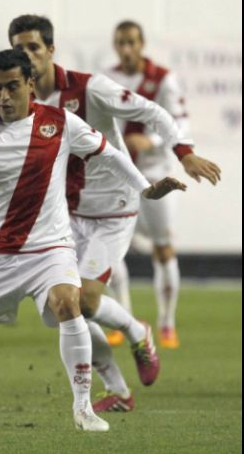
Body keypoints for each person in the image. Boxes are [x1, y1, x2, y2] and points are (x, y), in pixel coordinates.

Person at [0, 49, 185, 432]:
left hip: (50, 250)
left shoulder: (60, 122)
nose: (3, 97)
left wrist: (146, 187)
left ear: (30, 85)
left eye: (11, 87)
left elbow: (109, 155)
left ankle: (83, 406)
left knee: (69, 303)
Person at [104, 20, 199, 349]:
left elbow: (179, 121)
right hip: (118, 173)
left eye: (131, 42)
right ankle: (124, 320)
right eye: (121, 42)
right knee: (111, 249)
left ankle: (167, 323)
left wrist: (152, 139)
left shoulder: (162, 78)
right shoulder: (108, 78)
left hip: (157, 171)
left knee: (162, 247)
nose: (126, 48)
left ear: (142, 43)